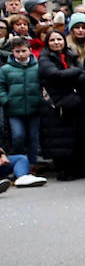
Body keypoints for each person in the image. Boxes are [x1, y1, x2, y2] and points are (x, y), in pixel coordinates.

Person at [38, 28, 85, 181]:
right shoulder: (44, 58)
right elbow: (55, 75)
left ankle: (79, 168)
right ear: (47, 43)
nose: (56, 43)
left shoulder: (71, 56)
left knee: (77, 136)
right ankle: (65, 170)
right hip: (56, 104)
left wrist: (71, 74)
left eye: (59, 39)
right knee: (60, 139)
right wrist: (74, 73)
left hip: (75, 102)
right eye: (53, 40)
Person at [0, 36, 43, 168]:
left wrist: (41, 99)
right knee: (18, 136)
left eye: (23, 51)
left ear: (30, 50)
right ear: (12, 52)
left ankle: (32, 164)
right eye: (17, 51)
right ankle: (20, 162)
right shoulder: (6, 69)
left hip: (34, 108)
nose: (21, 54)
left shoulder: (38, 67)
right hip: (14, 109)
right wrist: (6, 100)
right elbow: (1, 86)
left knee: (33, 137)